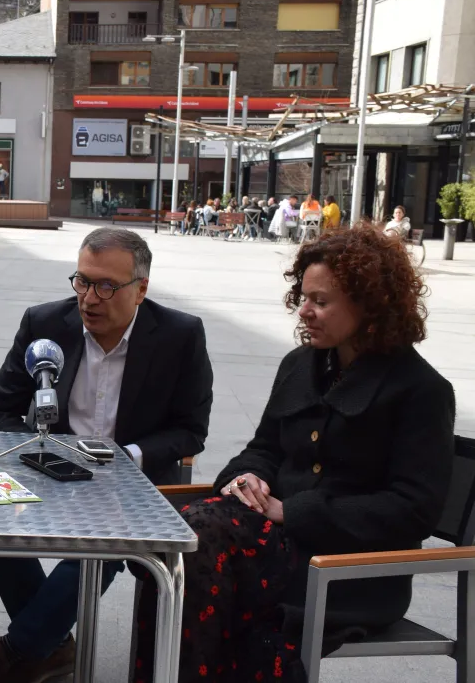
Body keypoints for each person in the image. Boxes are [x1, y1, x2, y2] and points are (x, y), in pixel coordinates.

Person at [132, 224, 455, 683]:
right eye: (303, 297)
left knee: (196, 544)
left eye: (321, 301)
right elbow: (263, 447)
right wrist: (248, 477)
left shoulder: (420, 390)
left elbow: (413, 509)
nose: (304, 311)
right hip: (270, 543)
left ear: (370, 304)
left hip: (347, 571)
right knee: (178, 544)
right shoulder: (301, 365)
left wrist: (295, 511)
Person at [0, 227, 214, 683]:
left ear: (140, 289)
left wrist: (128, 456)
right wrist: (42, 450)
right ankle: (51, 648)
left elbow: (191, 430)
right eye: (82, 281)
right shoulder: (45, 325)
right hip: (48, 470)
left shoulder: (180, 336)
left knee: (99, 548)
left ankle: (15, 653)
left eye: (106, 285)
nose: (90, 297)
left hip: (135, 485)